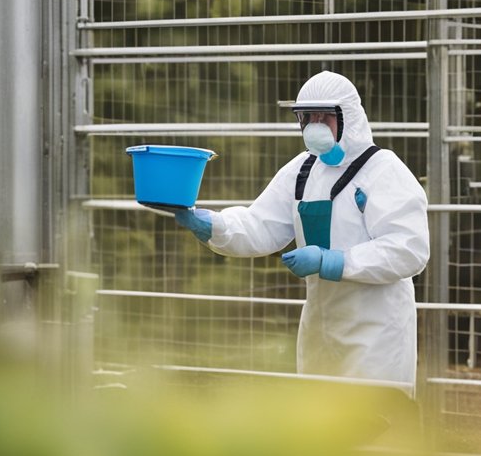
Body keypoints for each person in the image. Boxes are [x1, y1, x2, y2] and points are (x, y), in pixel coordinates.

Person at [174, 70, 430, 395]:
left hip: (376, 329)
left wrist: (334, 262)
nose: (315, 124)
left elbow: (409, 249)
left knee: (376, 424)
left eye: (325, 116)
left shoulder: (384, 171)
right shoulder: (302, 170)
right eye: (307, 116)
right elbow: (260, 225)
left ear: (346, 117)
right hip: (321, 322)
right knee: (319, 427)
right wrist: (213, 225)